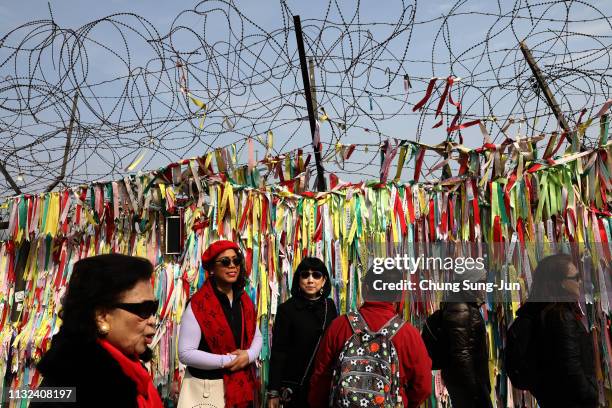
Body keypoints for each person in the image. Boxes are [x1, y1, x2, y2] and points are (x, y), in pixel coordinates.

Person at [32, 254, 163, 408]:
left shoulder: (129, 371)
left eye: (153, 308)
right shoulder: (68, 390)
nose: (153, 320)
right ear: (101, 317)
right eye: (144, 309)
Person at [308, 267, 432, 408]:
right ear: (398, 294)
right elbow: (424, 386)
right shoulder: (408, 333)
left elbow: (320, 377)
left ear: (365, 288)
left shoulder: (339, 325)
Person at [177, 240, 262, 408]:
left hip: (242, 388)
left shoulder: (243, 300)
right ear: (212, 269)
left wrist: (249, 355)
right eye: (225, 262)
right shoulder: (198, 304)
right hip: (207, 391)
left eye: (236, 260)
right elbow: (185, 353)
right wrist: (227, 360)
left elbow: (257, 335)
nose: (232, 266)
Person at [515, 253, 598, 408]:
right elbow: (571, 369)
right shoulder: (561, 317)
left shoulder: (542, 313)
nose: (580, 282)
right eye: (576, 278)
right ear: (560, 283)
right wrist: (590, 396)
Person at [267, 257, 338, 408]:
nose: (310, 280)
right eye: (305, 275)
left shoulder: (329, 306)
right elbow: (279, 352)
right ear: (298, 279)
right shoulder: (286, 310)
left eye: (316, 275)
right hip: (294, 387)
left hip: (323, 386)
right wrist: (273, 391)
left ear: (324, 280)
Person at [422, 268, 493, 408]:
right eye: (482, 282)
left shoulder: (462, 306)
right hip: (469, 388)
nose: (485, 286)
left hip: (466, 385)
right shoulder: (461, 309)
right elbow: (461, 355)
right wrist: (475, 392)